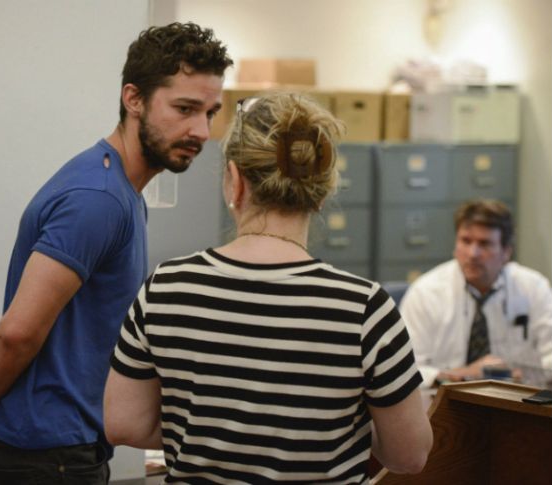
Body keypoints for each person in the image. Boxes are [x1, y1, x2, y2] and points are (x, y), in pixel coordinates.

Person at [0, 22, 233, 484]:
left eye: (209, 112)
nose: (201, 131)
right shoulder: (98, 198)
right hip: (52, 456)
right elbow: (18, 334)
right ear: (134, 98)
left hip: (57, 445)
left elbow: (63, 335)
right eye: (184, 109)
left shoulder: (117, 190)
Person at [103, 92, 433, 483]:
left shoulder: (166, 288)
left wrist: (209, 430)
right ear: (323, 192)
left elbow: (122, 423)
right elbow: (409, 455)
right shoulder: (364, 309)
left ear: (235, 181)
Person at [399, 199, 552, 388]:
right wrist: (465, 375)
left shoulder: (533, 288)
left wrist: (526, 374)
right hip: (443, 403)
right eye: (465, 241)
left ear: (506, 252)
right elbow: (405, 370)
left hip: (517, 399)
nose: (473, 253)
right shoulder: (426, 293)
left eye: (485, 244)